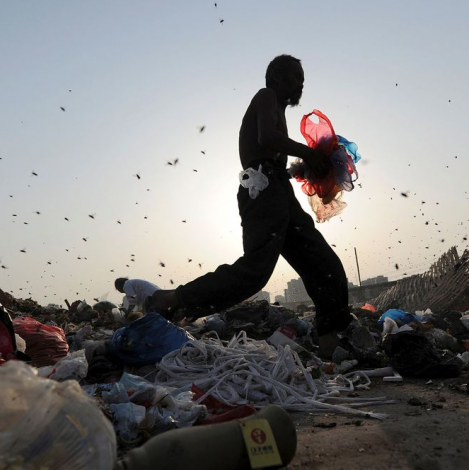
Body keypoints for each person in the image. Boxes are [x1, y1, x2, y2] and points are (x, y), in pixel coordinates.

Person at [149, 54, 352, 358]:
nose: (301, 82)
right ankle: (173, 298)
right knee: (256, 270)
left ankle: (331, 341)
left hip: (277, 189)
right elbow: (266, 139)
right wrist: (308, 154)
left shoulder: (278, 110)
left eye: (302, 76)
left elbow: (272, 155)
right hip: (261, 187)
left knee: (324, 264)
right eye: (295, 76)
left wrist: (302, 168)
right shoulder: (266, 96)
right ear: (276, 78)